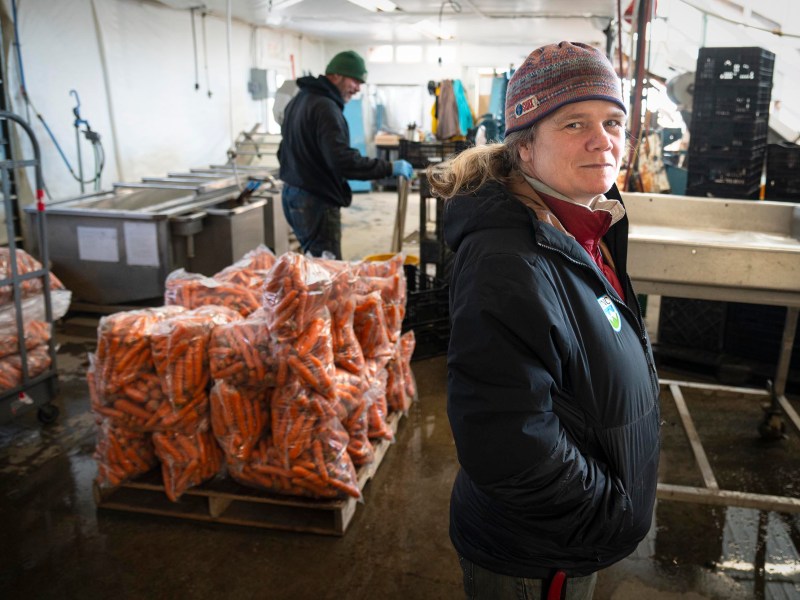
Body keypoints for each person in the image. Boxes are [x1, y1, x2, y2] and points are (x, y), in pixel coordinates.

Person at [427, 41, 661, 599]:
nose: (602, 139)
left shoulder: (581, 225)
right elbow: (506, 442)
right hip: (537, 554)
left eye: (612, 121)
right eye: (574, 122)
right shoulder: (509, 262)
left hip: (568, 535)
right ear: (525, 149)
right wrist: (605, 510)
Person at [277, 50, 413, 259]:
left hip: (293, 195)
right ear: (336, 75)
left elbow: (283, 150)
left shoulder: (300, 99)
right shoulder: (325, 108)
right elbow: (342, 161)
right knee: (328, 271)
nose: (357, 89)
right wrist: (389, 167)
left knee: (314, 263)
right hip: (315, 200)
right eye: (355, 81)